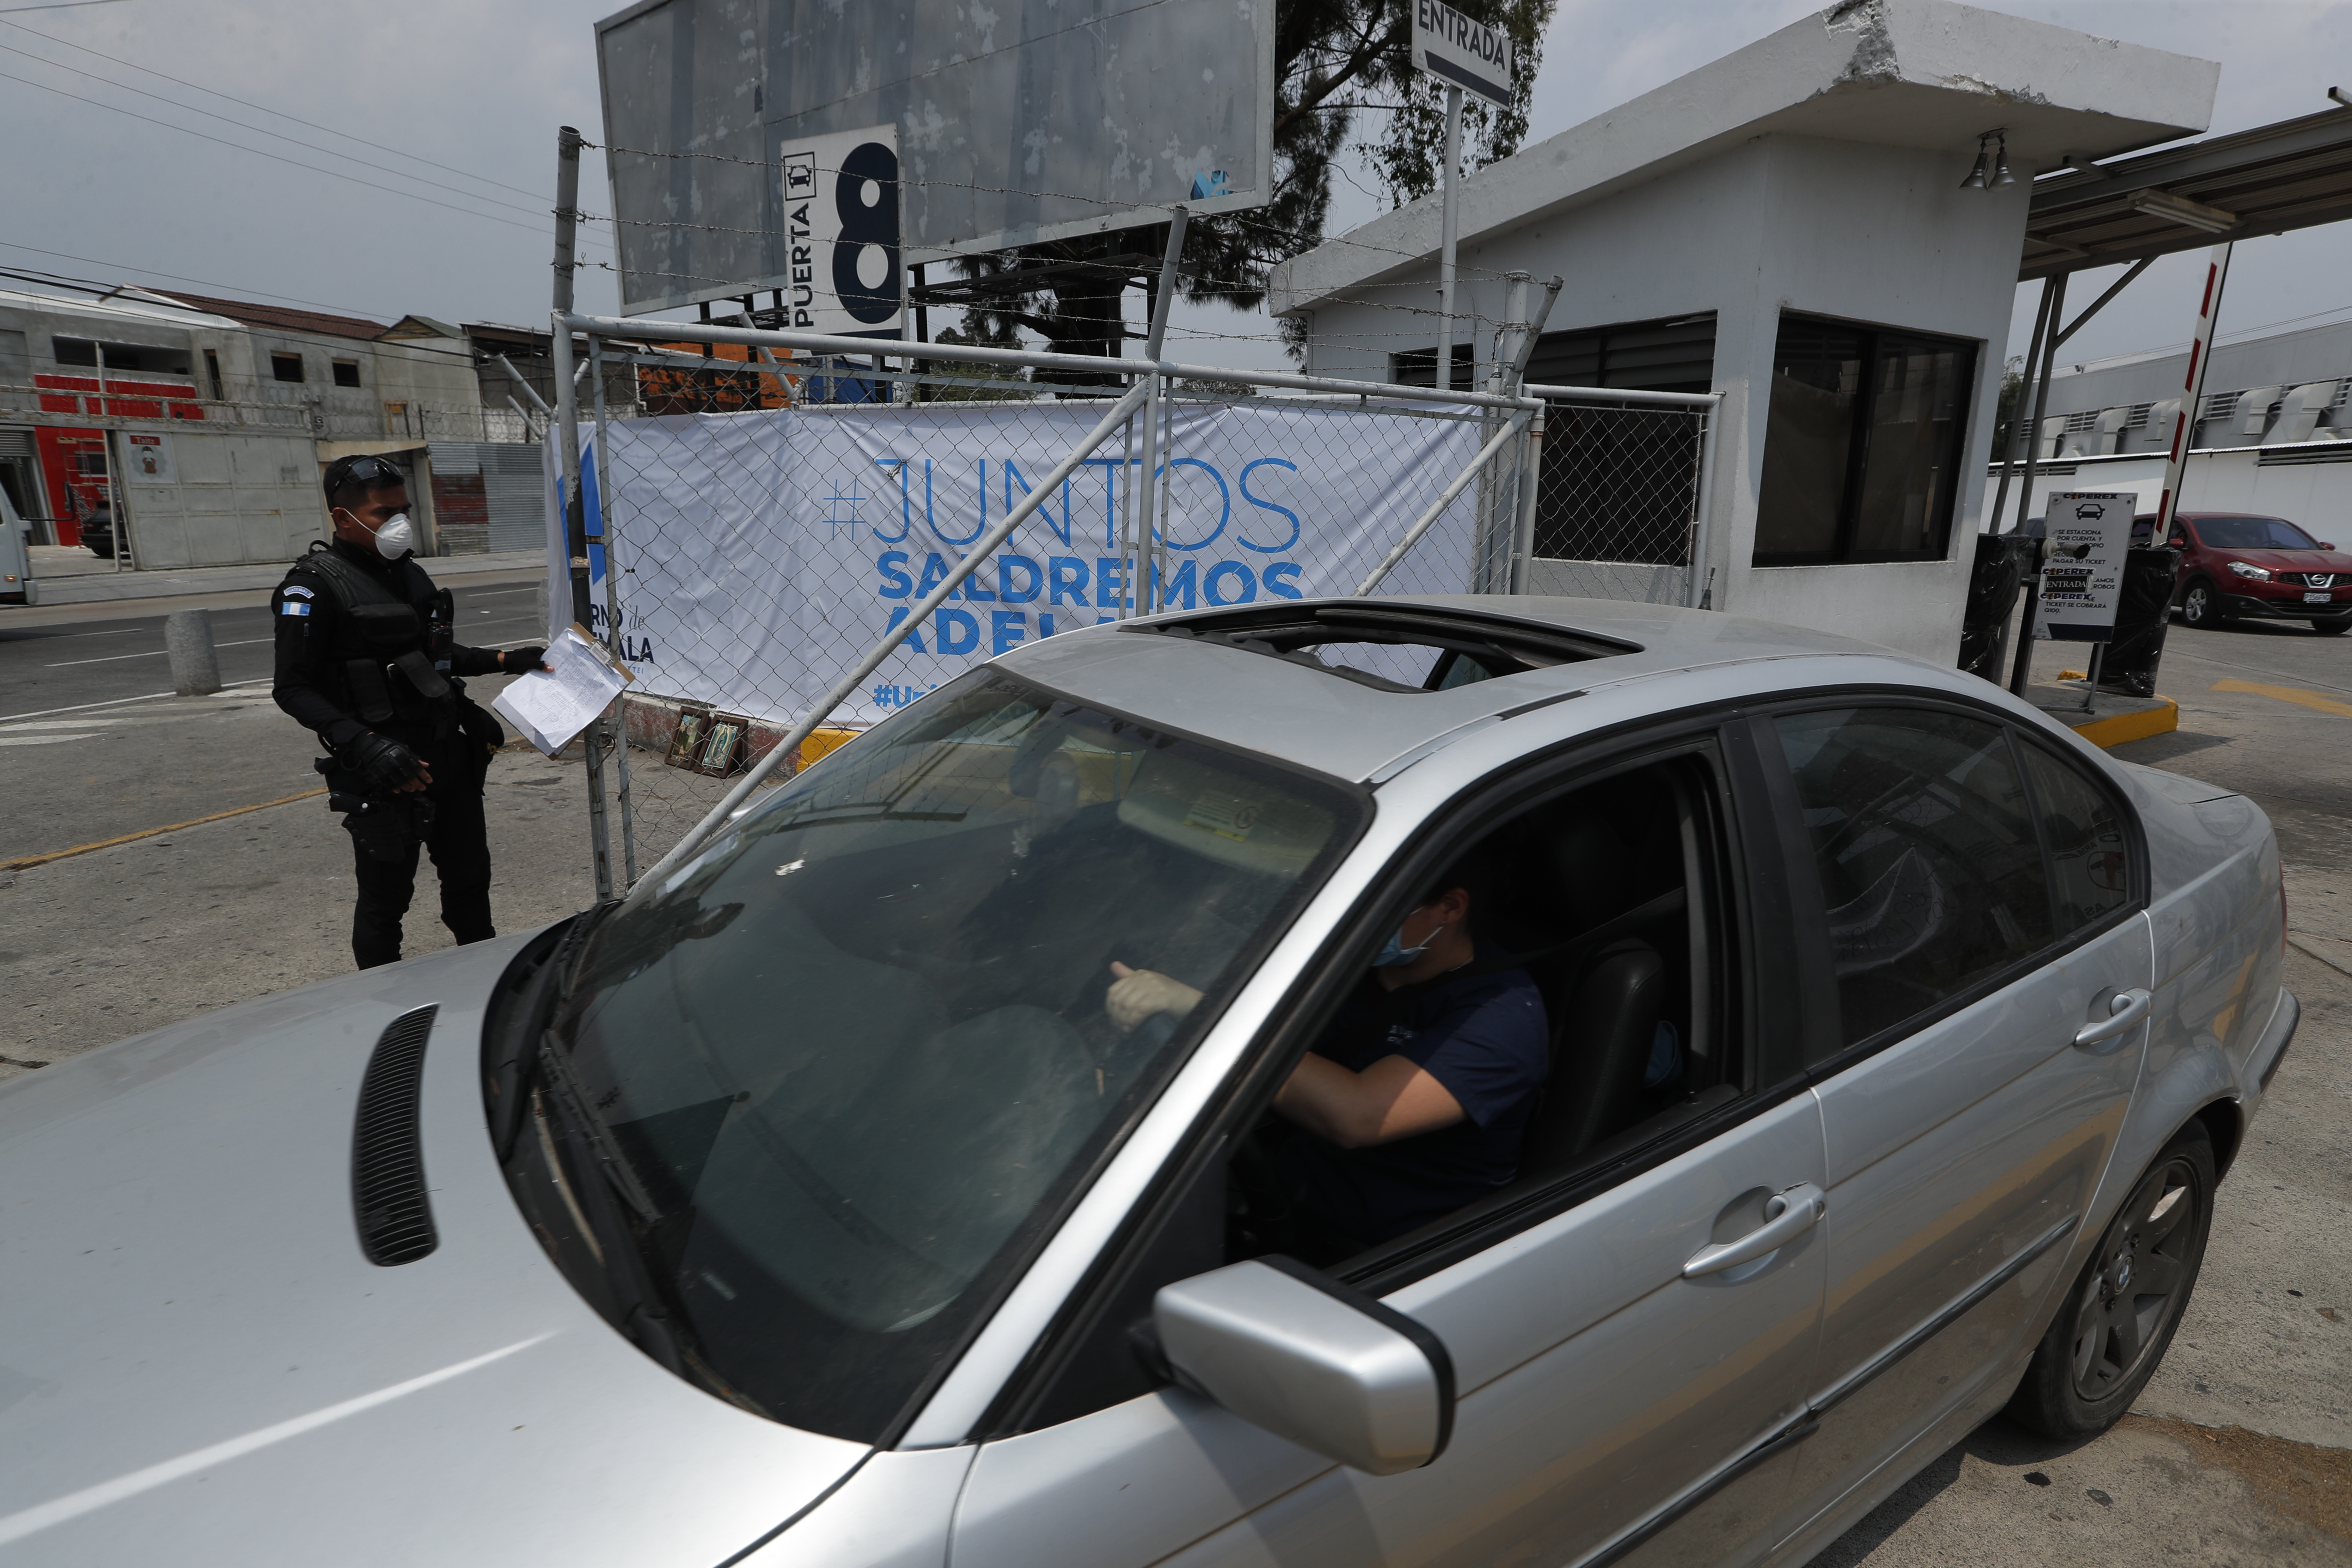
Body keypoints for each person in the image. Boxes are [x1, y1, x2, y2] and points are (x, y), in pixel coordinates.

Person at [1107, 852, 1548, 1258]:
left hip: (1378, 1254)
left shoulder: (1500, 1018)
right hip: (1267, 1192)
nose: (1352, 921)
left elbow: (1358, 1116)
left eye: (1376, 906)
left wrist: (1200, 1012)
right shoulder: (1348, 962)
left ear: (1450, 909)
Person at [270, 454, 548, 968]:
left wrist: (508, 660)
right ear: (341, 517)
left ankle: (483, 985)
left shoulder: (410, 575)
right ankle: (383, 1011)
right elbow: (292, 688)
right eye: (383, 513)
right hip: (385, 772)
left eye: (403, 509)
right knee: (385, 906)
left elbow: (435, 656)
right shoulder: (310, 589)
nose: (399, 522)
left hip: (448, 755)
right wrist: (365, 745)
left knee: (470, 884)